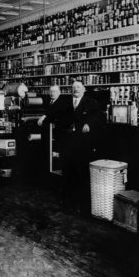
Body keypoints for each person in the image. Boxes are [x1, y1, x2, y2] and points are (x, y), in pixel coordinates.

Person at [38, 81, 101, 212]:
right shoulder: (66, 101)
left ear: (84, 89)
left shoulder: (90, 102)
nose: (75, 89)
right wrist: (44, 116)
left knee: (80, 171)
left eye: (78, 87)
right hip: (67, 142)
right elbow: (53, 110)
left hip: (82, 143)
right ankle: (67, 202)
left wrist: (89, 123)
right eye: (73, 88)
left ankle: (81, 204)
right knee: (67, 171)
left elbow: (98, 115)